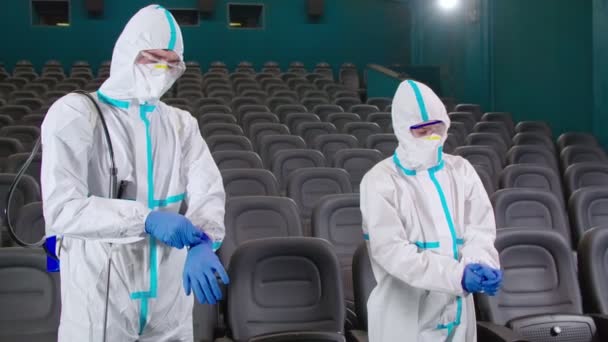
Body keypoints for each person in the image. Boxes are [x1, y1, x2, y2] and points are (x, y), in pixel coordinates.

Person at [40, 5, 227, 341]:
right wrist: (146, 219)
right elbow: (62, 208)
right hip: (100, 297)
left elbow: (208, 191)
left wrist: (204, 241)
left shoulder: (181, 124)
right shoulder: (77, 113)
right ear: (128, 52)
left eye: (172, 63)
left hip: (169, 299)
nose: (163, 69)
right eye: (154, 58)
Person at [360, 80, 503, 341]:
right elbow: (392, 252)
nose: (432, 138)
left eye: (437, 129)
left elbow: (480, 228)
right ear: (402, 130)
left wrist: (480, 263)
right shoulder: (380, 180)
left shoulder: (461, 170)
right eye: (421, 131)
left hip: (458, 313)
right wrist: (458, 276)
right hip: (405, 318)